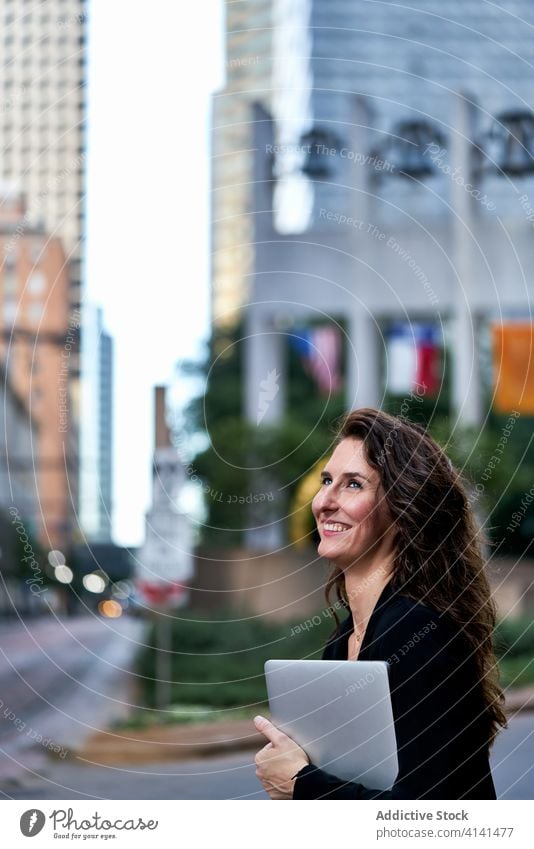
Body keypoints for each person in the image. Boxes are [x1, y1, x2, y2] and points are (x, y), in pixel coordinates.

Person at [254, 407, 506, 800]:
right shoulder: (343, 640)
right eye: (327, 480)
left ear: (403, 508)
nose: (324, 501)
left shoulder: (420, 631)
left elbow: (426, 818)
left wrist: (301, 784)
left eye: (353, 484)